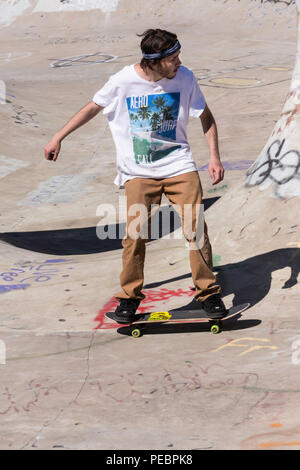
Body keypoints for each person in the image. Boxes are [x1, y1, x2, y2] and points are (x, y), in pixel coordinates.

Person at [44, 28, 227, 323]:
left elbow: (205, 115)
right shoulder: (122, 82)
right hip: (139, 173)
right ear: (154, 62)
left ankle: (207, 293)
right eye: (173, 59)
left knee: (196, 230)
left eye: (179, 56)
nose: (179, 63)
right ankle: (129, 299)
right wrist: (58, 137)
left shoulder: (185, 78)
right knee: (134, 236)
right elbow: (92, 108)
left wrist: (214, 157)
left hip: (179, 166)